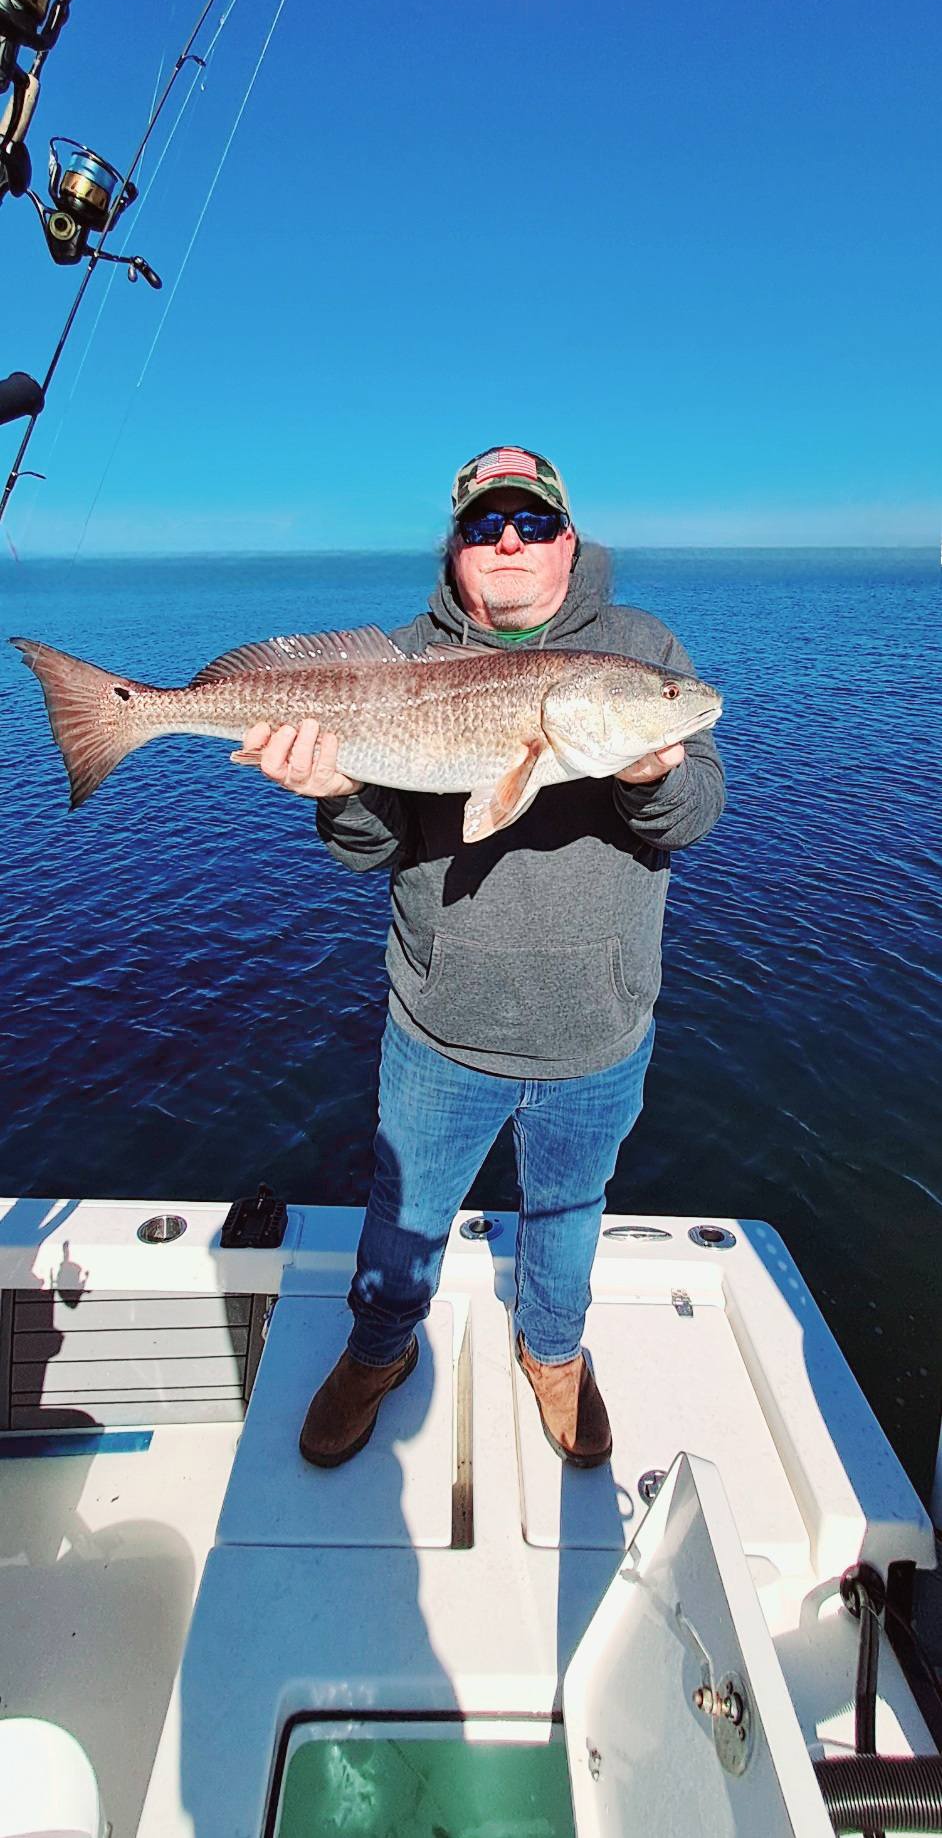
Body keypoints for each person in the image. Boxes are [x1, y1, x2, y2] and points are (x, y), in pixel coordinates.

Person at [240, 446, 726, 1470]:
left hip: (600, 1029)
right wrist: (337, 788)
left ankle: (552, 1351)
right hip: (440, 1030)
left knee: (569, 1210)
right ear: (456, 550)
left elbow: (694, 810)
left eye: (533, 523)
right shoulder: (404, 660)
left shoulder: (639, 651)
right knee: (404, 1212)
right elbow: (368, 849)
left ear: (570, 540)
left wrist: (648, 766)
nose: (510, 541)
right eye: (483, 526)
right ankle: (378, 1352)